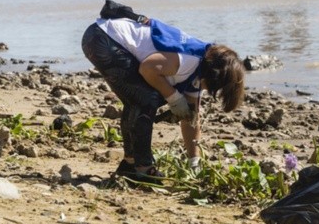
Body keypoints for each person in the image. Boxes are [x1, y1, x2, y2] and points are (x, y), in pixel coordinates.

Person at [81, 14, 245, 184]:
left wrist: (194, 162)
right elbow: (148, 68)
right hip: (101, 38)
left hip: (100, 38)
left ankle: (130, 164)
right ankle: (143, 168)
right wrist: (173, 97)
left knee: (139, 99)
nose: (207, 90)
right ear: (213, 76)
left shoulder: (200, 72)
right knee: (147, 98)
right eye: (213, 88)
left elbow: (191, 117)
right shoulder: (188, 59)